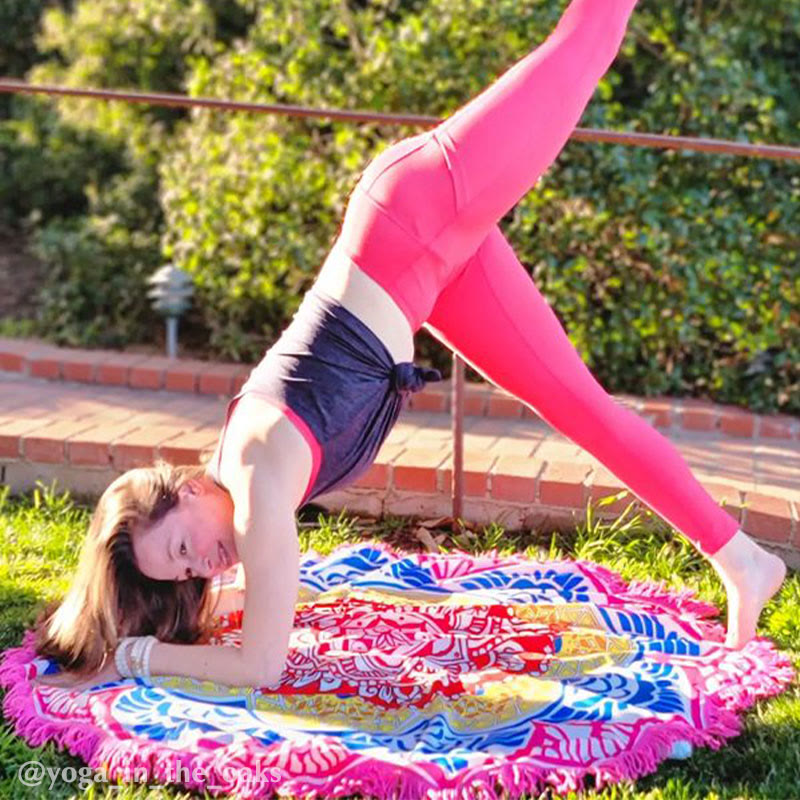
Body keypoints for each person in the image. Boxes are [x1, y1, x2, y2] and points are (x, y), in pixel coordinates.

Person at [34, 0, 786, 692]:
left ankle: (740, 557)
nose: (203, 567)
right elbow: (233, 631)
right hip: (428, 271)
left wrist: (132, 658)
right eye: (186, 574)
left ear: (188, 491)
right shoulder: (237, 496)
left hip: (416, 210)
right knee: (580, 407)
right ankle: (743, 560)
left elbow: (260, 668)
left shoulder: (257, 485)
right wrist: (123, 631)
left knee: (584, 41)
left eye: (182, 550)